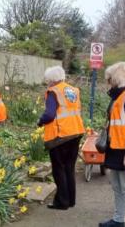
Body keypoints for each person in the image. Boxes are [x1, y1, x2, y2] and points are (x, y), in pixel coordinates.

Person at [37, 66, 85, 210]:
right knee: (69, 168)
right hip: (76, 132)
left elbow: (50, 114)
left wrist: (40, 121)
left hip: (60, 135)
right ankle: (70, 200)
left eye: (47, 80)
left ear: (51, 80)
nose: (47, 83)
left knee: (59, 169)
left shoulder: (53, 92)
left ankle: (62, 202)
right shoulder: (73, 90)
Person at [99, 62, 125, 227]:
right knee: (116, 186)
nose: (108, 81)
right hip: (115, 149)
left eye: (109, 78)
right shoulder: (118, 96)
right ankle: (118, 220)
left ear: (116, 77)